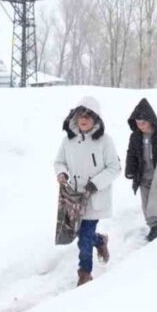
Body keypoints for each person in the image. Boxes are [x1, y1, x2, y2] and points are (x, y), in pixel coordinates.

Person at [54, 97, 121, 286]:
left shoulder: (105, 141)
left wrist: (95, 184)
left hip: (94, 198)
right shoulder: (68, 141)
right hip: (74, 199)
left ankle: (84, 273)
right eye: (80, 116)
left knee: (83, 237)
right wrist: (61, 173)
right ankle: (99, 241)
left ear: (96, 119)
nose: (83, 119)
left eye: (88, 116)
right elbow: (59, 162)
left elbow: (114, 167)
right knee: (81, 234)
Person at [124, 98, 157, 242]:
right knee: (147, 204)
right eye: (137, 122)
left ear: (150, 120)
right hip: (144, 176)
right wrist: (130, 170)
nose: (140, 125)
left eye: (143, 122)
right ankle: (153, 227)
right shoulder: (135, 137)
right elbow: (131, 153)